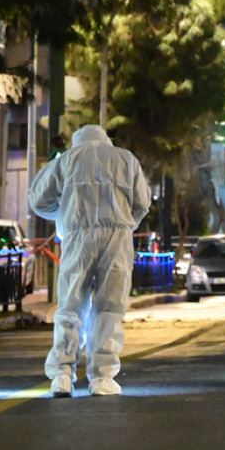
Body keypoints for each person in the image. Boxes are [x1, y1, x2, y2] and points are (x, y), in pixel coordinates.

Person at [30, 125, 151, 398]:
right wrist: (124, 223)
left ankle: (62, 375)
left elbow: (38, 199)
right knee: (110, 307)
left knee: (71, 305)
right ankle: (102, 377)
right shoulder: (126, 159)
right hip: (117, 239)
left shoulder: (67, 159)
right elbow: (142, 203)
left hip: (77, 238)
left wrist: (63, 215)